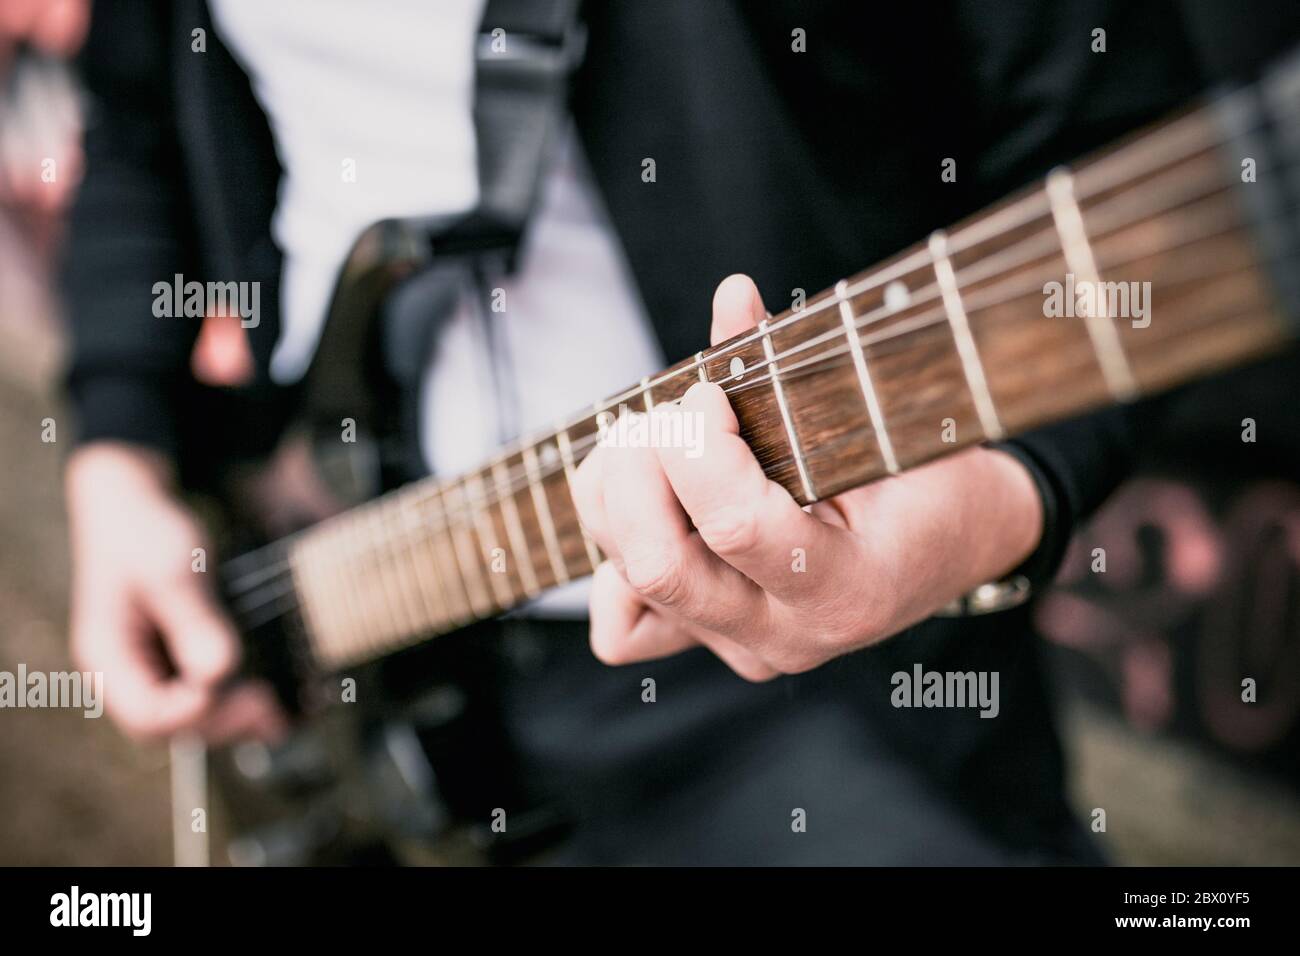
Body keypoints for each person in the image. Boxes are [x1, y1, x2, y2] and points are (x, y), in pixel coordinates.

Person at [60, 0, 1300, 863]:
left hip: (819, 688)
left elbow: (1112, 166)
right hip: (332, 592)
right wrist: (116, 453)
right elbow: (134, 117)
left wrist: (982, 511)